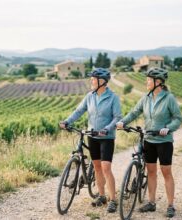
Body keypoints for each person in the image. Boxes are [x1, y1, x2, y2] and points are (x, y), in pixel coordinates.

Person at [116, 67, 182, 218]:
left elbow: (178, 119)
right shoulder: (146, 98)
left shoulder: (169, 98)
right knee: (151, 172)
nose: (146, 82)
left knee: (166, 172)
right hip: (149, 140)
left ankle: (171, 205)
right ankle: (151, 203)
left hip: (164, 141)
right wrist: (122, 122)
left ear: (158, 82)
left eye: (149, 80)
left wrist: (168, 128)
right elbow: (134, 112)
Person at [59, 68, 122, 213]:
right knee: (97, 167)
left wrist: (107, 128)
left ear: (102, 82)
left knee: (106, 167)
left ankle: (113, 200)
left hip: (106, 137)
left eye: (93, 79)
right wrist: (67, 121)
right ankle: (101, 196)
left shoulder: (113, 97)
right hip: (92, 135)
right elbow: (79, 111)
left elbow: (117, 117)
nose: (91, 81)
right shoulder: (90, 96)